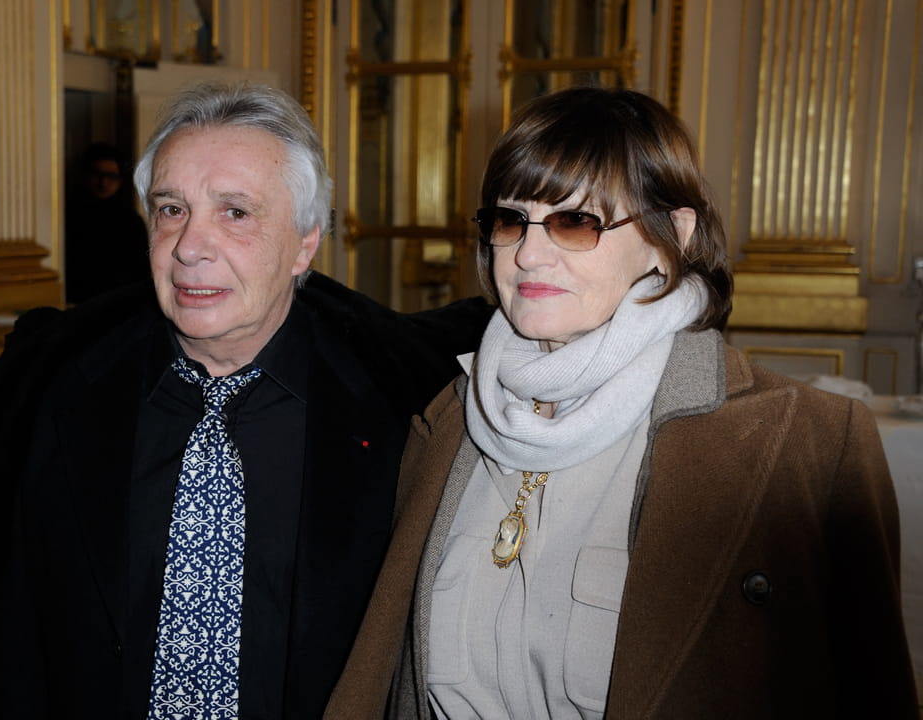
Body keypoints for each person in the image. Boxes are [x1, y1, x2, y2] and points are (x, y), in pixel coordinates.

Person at [0, 83, 489, 719]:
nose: (188, 246)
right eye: (171, 209)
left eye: (234, 212)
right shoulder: (49, 396)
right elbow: (2, 651)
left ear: (305, 242)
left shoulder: (403, 410)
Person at [328, 87, 919, 718]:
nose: (528, 253)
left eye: (575, 222)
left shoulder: (810, 446)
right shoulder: (449, 419)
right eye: (510, 220)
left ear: (672, 237)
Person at [64, 142, 151, 304]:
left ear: (120, 180)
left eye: (111, 176)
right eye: (97, 174)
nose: (103, 182)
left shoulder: (131, 221)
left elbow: (141, 269)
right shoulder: (70, 216)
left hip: (121, 303)